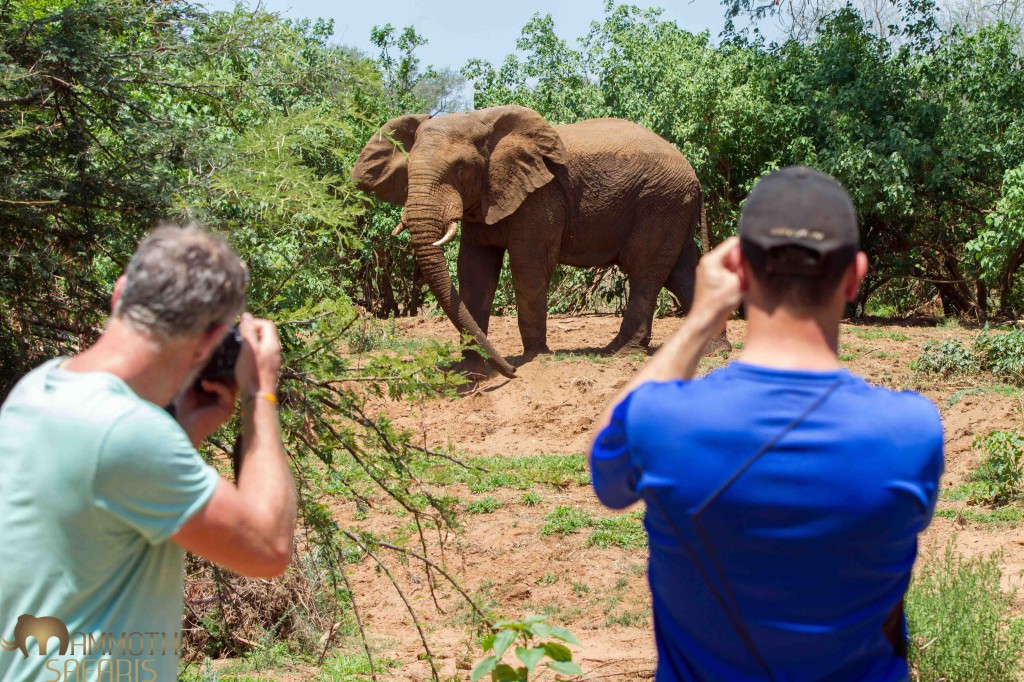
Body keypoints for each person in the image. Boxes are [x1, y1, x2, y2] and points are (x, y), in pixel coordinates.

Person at [590, 167, 944, 682]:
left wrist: (700, 320)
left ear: (740, 272)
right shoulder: (912, 431)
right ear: (854, 275)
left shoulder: (661, 421)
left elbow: (606, 465)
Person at [0, 225, 297, 682]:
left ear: (120, 294)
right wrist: (260, 394)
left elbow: (110, 515)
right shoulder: (127, 434)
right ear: (207, 341)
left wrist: (186, 431)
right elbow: (268, 550)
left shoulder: (37, 389)